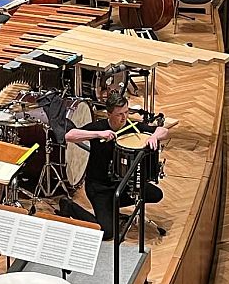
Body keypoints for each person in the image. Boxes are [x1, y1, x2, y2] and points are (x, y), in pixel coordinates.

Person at [64, 92, 168, 240]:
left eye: (126, 112)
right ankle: (69, 206)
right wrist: (99, 135)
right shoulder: (99, 127)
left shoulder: (132, 126)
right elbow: (69, 135)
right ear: (109, 114)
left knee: (155, 194)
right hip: (99, 188)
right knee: (107, 232)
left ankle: (110, 209)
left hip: (122, 184)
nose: (124, 117)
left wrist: (154, 137)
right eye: (119, 114)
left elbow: (163, 130)